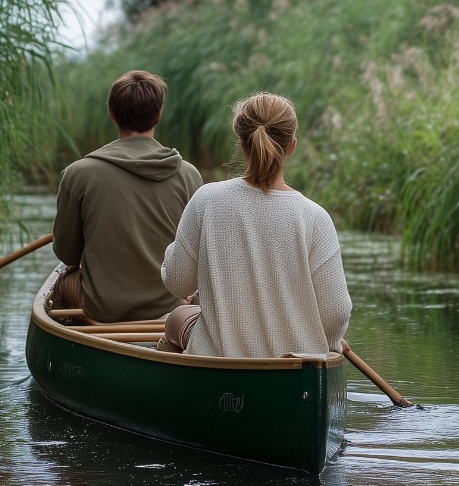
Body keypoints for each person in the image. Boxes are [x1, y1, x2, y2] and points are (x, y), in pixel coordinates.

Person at [157, 91, 351, 357]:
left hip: (218, 366)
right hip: (296, 373)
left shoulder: (206, 199)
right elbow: (336, 312)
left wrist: (174, 250)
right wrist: (331, 341)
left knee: (178, 316)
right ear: (292, 146)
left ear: (242, 144)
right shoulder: (315, 217)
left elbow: (178, 283)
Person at [51, 70, 203, 323]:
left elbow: (67, 254)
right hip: (169, 307)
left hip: (102, 308)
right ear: (159, 115)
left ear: (112, 114)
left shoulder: (77, 174)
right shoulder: (189, 175)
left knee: (64, 278)